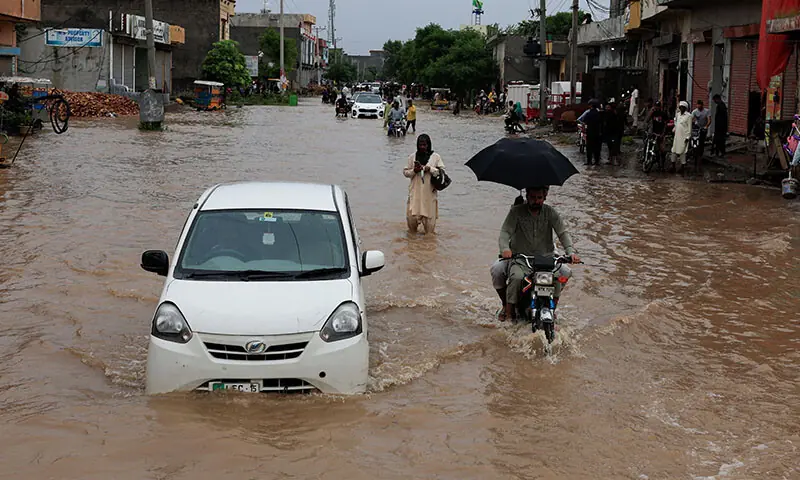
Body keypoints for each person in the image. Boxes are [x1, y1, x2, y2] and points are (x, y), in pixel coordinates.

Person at [491, 186, 580, 322]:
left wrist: (570, 252)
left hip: (546, 259)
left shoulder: (550, 212)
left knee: (562, 275)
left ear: (545, 197)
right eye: (533, 197)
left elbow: (562, 233)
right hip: (521, 259)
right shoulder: (516, 212)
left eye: (539, 198)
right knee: (515, 278)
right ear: (527, 196)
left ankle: (552, 309)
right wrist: (505, 249)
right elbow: (505, 232)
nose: (536, 201)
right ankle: (508, 311)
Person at [403, 134, 444, 234]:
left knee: (430, 233)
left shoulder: (435, 157)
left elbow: (441, 173)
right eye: (420, 145)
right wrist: (414, 170)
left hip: (429, 197)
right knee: (411, 229)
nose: (422, 147)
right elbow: (405, 172)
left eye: (424, 145)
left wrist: (428, 169)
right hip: (414, 196)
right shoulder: (412, 157)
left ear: (428, 145)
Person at [578, 99, 603, 165]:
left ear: (591, 106)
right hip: (598, 132)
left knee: (589, 147)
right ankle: (597, 161)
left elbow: (583, 121)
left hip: (590, 132)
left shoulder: (588, 113)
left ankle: (589, 161)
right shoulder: (600, 114)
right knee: (597, 147)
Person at [671, 100, 693, 172]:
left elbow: (689, 128)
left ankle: (682, 167)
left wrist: (687, 137)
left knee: (682, 152)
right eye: (680, 107)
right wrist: (674, 129)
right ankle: (673, 166)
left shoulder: (689, 116)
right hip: (677, 136)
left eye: (683, 107)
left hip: (684, 137)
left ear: (685, 108)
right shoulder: (678, 114)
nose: (681, 108)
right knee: (674, 150)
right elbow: (676, 123)